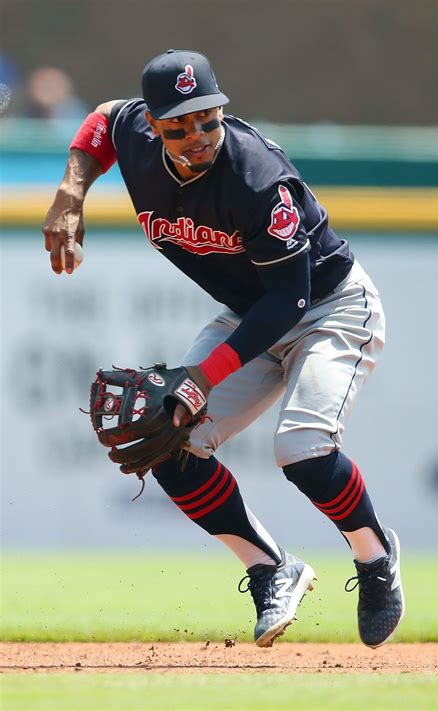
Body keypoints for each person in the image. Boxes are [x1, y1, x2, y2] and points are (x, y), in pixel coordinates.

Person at [42, 49, 404, 649]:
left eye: (207, 117)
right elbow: (103, 119)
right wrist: (70, 194)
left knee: (302, 449)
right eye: (178, 124)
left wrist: (203, 377)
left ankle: (374, 555)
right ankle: (270, 568)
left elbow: (291, 298)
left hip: (328, 307)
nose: (197, 134)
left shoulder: (257, 178)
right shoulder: (134, 133)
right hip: (250, 314)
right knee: (168, 441)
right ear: (153, 124)